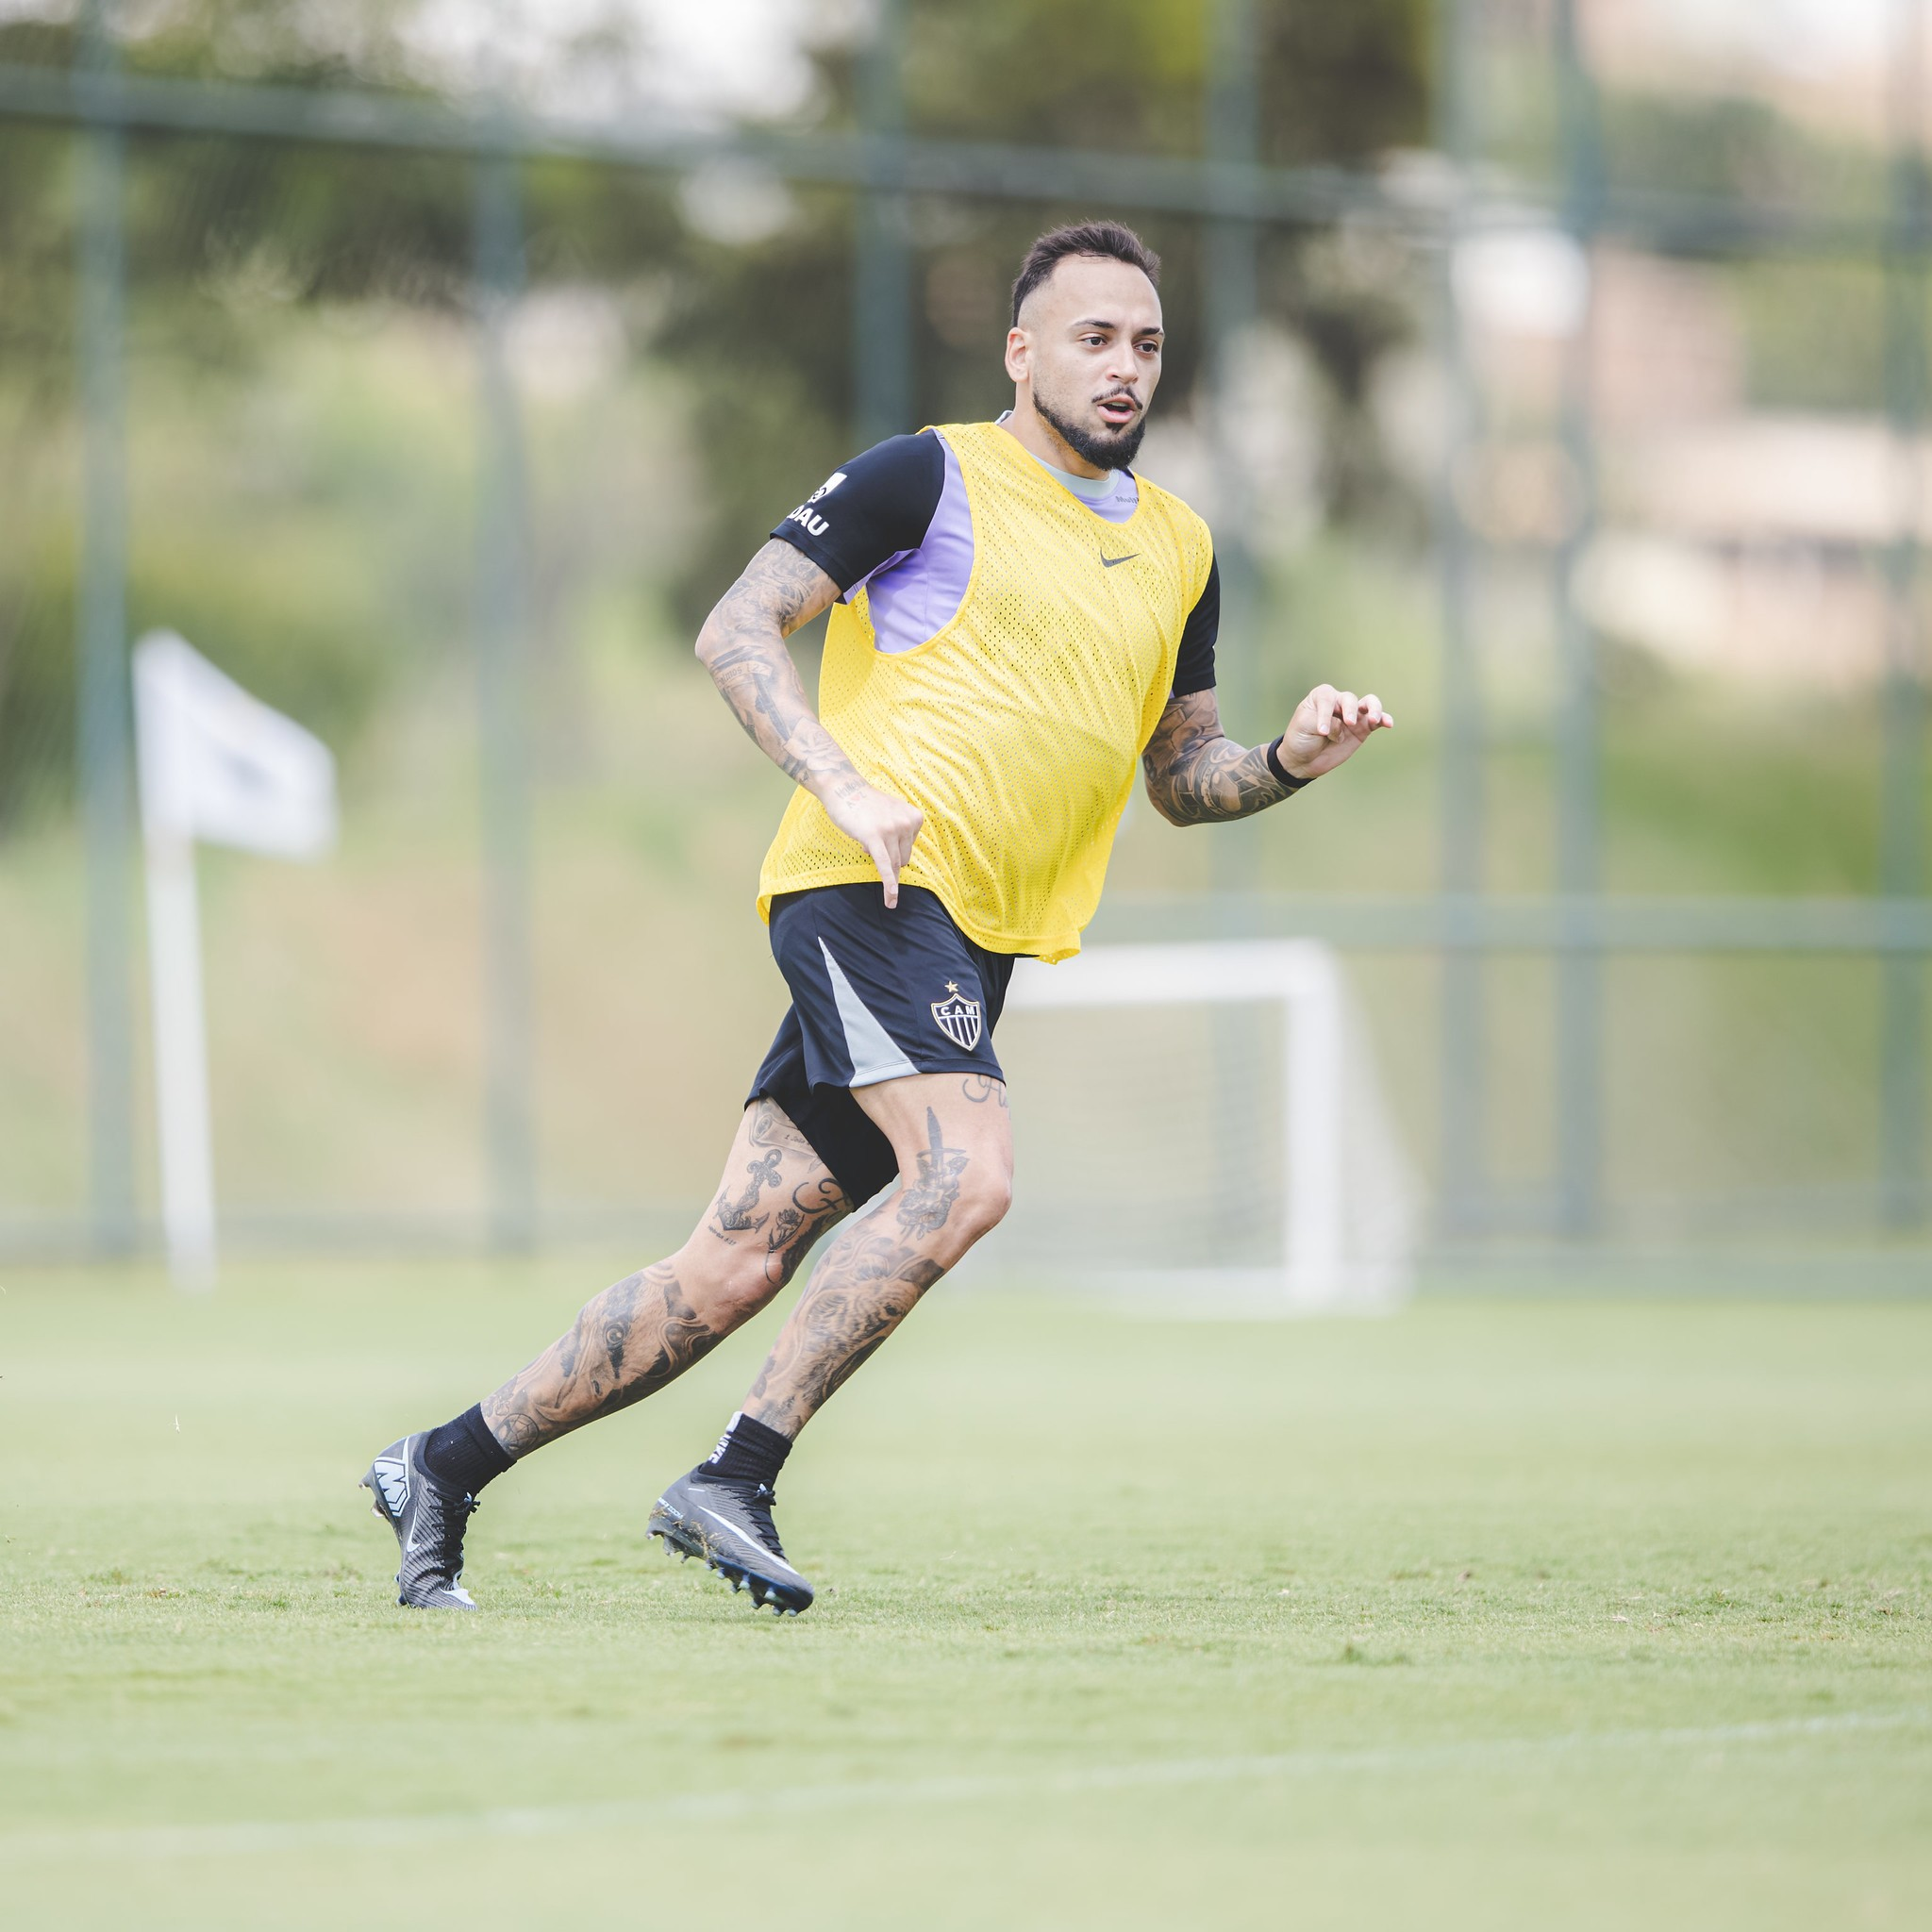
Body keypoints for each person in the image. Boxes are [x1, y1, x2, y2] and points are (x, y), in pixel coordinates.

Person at [361, 219, 1392, 1616]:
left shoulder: (1181, 548)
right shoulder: (929, 473)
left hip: (973, 938)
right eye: (1095, 337)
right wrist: (838, 778)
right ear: (1022, 352)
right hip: (869, 893)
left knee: (732, 1261)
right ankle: (734, 1473)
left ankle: (443, 1465)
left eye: (1147, 343)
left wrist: (1287, 759)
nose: (1126, 366)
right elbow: (737, 626)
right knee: (967, 1176)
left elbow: (1181, 779)